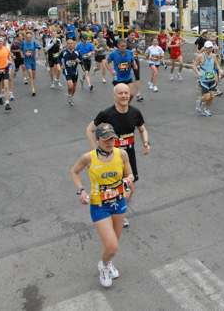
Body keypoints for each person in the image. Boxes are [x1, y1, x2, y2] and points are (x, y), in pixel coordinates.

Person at [70, 123, 135, 287]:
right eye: (106, 139)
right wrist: (82, 192)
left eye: (112, 138)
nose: (110, 142)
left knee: (115, 243)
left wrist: (128, 181)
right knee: (112, 247)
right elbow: (74, 171)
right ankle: (104, 266)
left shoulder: (122, 154)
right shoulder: (89, 157)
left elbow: (130, 174)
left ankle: (108, 263)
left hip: (119, 203)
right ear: (98, 139)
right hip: (100, 206)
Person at [86, 84, 150, 227]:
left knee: (130, 190)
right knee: (114, 190)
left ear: (129, 95)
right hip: (111, 160)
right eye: (120, 93)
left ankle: (119, 212)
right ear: (114, 95)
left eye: (126, 93)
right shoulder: (106, 114)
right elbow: (90, 130)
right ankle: (116, 215)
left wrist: (146, 142)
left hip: (129, 157)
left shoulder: (135, 112)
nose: (123, 96)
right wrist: (95, 153)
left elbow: (142, 129)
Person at [193, 41, 222, 117]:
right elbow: (194, 65)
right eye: (208, 48)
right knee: (207, 96)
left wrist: (219, 69)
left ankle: (206, 109)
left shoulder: (214, 56)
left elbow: (216, 64)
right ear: (205, 48)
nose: (210, 49)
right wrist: (198, 72)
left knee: (212, 96)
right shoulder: (200, 56)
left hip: (211, 78)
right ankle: (199, 102)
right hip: (204, 79)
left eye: (211, 48)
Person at [59, 38, 82, 105]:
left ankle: (71, 96)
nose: (70, 45)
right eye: (69, 43)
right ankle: (69, 95)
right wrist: (61, 65)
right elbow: (58, 58)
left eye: (71, 43)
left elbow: (81, 61)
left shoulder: (77, 53)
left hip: (75, 72)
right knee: (70, 86)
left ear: (74, 44)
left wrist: (79, 61)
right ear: (67, 44)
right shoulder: (64, 52)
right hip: (67, 71)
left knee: (74, 86)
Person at [21, 31, 42, 96]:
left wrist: (37, 55)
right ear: (26, 37)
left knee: (33, 76)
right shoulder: (23, 43)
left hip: (33, 60)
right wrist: (22, 55)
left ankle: (31, 80)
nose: (28, 38)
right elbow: (21, 50)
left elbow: (40, 49)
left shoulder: (34, 43)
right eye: (27, 37)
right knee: (30, 74)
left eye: (30, 37)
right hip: (27, 60)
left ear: (31, 37)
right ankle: (33, 89)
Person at [127, 34, 143, 101]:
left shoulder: (136, 42)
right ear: (129, 35)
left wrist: (139, 51)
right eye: (132, 35)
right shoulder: (126, 43)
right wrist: (131, 51)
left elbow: (137, 48)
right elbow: (123, 52)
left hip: (136, 61)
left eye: (134, 35)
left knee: (137, 77)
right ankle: (127, 93)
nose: (133, 36)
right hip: (128, 62)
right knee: (127, 77)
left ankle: (138, 94)